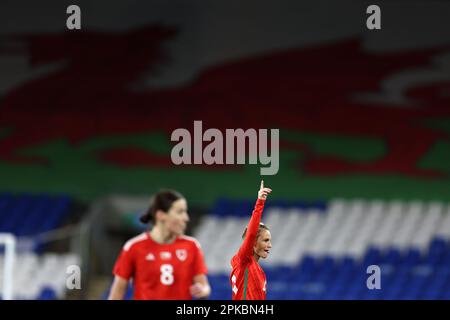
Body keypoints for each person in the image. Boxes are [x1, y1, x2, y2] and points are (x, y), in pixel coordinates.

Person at [108, 189, 210, 300]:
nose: (186, 218)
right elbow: (117, 293)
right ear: (161, 215)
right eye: (180, 212)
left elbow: (204, 286)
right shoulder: (134, 247)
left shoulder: (191, 246)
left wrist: (202, 290)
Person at [230, 180, 272, 300]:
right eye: (265, 240)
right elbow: (251, 234)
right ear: (253, 243)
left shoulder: (258, 271)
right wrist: (260, 202)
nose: (270, 245)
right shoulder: (244, 261)